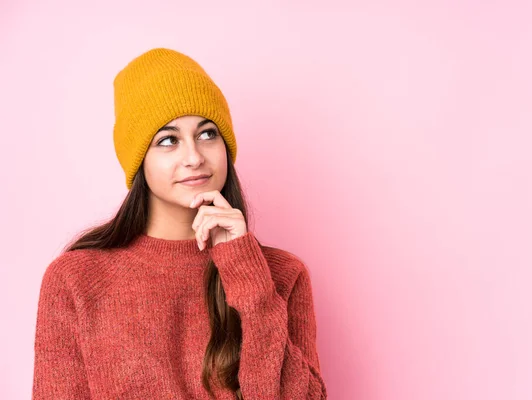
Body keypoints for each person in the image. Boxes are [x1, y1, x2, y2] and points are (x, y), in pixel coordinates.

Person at [32, 47, 327, 399]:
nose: (194, 157)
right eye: (168, 140)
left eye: (207, 134)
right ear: (139, 162)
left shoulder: (281, 275)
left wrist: (246, 274)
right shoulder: (76, 279)